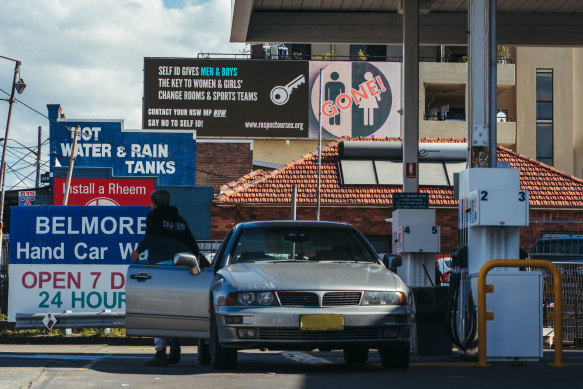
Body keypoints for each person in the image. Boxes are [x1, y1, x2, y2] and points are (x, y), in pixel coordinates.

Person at [131, 189, 208, 366]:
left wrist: (138, 251)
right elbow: (191, 244)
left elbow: (150, 238)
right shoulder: (179, 220)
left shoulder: (154, 216)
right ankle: (174, 341)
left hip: (161, 268)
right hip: (182, 268)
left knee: (157, 309)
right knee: (175, 308)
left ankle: (160, 352)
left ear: (153, 202)